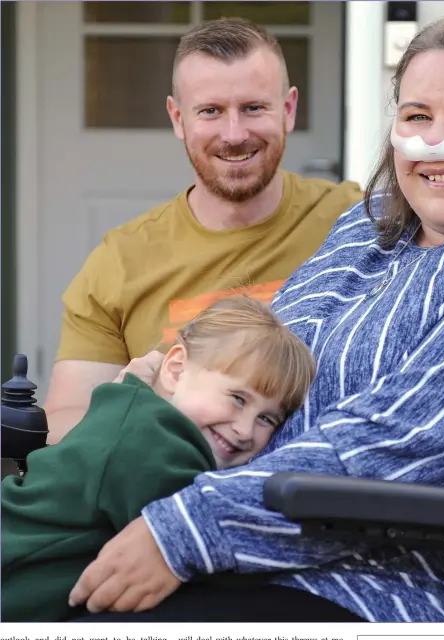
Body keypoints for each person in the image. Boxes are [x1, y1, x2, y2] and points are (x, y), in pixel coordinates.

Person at [64, 7, 444, 622]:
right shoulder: (372, 223)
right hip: (233, 535)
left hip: (365, 586)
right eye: (418, 116)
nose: (438, 141)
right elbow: (268, 359)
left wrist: (183, 530)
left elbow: (404, 447)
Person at [44, 17, 363, 444]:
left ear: (288, 109)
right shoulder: (119, 262)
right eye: (210, 111)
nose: (234, 134)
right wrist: (135, 414)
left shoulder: (357, 219)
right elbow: (65, 417)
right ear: (178, 118)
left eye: (254, 108)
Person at [1, 295, 316, 622]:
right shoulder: (154, 447)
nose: (245, 429)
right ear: (176, 369)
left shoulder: (133, 412)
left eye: (267, 419)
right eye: (238, 398)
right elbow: (210, 557)